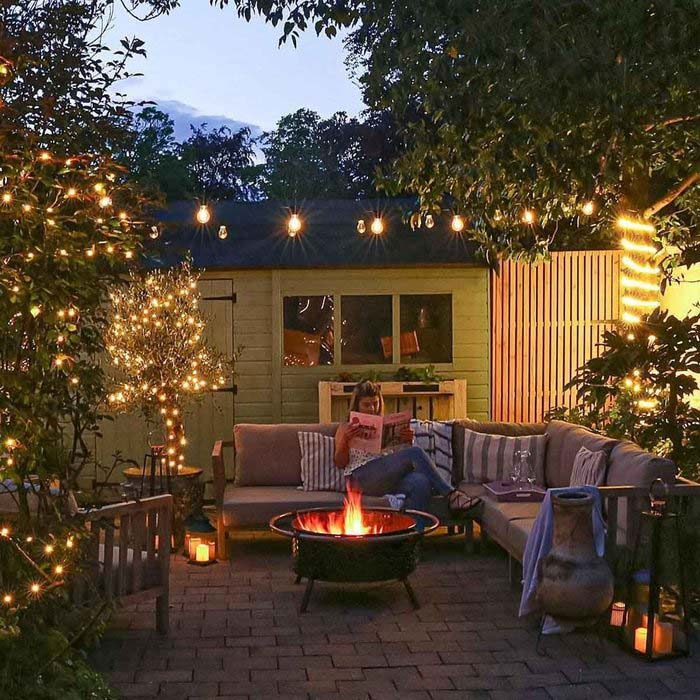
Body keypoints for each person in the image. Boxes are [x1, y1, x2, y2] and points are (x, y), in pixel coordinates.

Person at [334, 380, 481, 515]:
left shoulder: (382, 424)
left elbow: (391, 456)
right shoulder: (345, 427)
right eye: (366, 405)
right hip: (360, 478)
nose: (372, 409)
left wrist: (406, 440)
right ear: (357, 405)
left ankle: (411, 537)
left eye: (375, 404)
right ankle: (452, 495)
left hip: (384, 477)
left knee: (420, 481)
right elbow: (340, 463)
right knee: (414, 453)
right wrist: (346, 439)